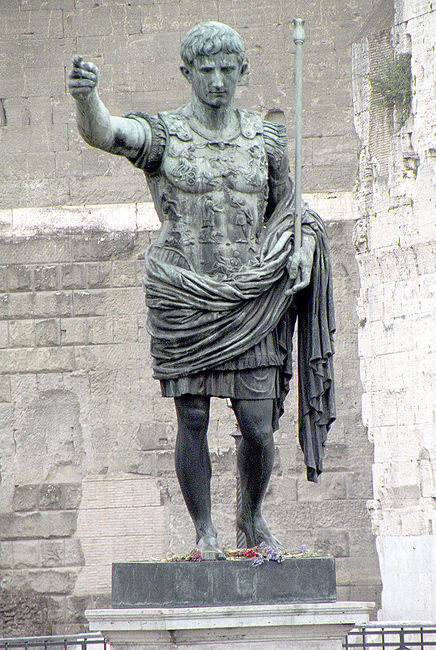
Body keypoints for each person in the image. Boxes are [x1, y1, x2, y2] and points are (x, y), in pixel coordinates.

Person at [69, 21, 335, 559]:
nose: (217, 81)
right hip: (184, 297)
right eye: (206, 70)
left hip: (250, 299)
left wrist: (304, 247)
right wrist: (87, 98)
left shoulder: (264, 139)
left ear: (242, 71)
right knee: (191, 418)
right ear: (186, 72)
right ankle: (204, 532)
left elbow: (292, 211)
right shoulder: (166, 135)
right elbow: (107, 133)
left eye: (227, 70)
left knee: (258, 426)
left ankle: (251, 516)